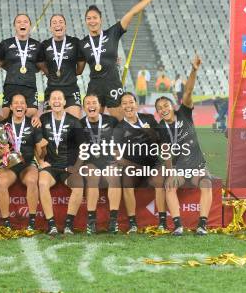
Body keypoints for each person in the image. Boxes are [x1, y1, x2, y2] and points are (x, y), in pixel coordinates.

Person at [79, 0, 160, 120]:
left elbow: (132, 12)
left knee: (121, 123)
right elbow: (78, 69)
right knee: (92, 125)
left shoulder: (112, 33)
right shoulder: (82, 43)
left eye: (95, 18)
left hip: (113, 84)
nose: (92, 21)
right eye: (89, 18)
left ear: (100, 20)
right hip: (94, 86)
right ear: (85, 21)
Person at [155, 55, 212, 236]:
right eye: (159, 108)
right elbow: (165, 153)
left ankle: (202, 225)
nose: (163, 109)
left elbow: (187, 92)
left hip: (197, 166)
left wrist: (193, 71)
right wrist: (171, 171)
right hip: (179, 169)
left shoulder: (184, 114)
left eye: (166, 105)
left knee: (206, 183)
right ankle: (178, 225)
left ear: (172, 106)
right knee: (169, 186)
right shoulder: (161, 128)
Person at [116, 92, 166, 233]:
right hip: (133, 166)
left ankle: (162, 221)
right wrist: (129, 166)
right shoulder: (119, 128)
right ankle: (132, 223)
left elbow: (160, 140)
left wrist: (149, 131)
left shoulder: (148, 119)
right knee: (126, 184)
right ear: (121, 107)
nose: (128, 105)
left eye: (131, 102)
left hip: (153, 163)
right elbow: (117, 155)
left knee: (159, 182)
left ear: (136, 104)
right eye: (124, 103)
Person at [35, 90, 83, 235]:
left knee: (79, 185)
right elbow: (35, 143)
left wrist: (76, 167)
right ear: (49, 102)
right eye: (53, 98)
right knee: (42, 183)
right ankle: (52, 225)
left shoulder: (74, 121)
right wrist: (40, 161)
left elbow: (83, 148)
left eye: (59, 98)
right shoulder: (42, 119)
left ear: (64, 102)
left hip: (68, 166)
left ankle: (68, 224)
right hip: (50, 166)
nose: (56, 101)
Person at [0, 93, 42, 230]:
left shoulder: (33, 123)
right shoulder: (1, 125)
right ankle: (6, 223)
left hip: (27, 164)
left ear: (26, 107)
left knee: (32, 180)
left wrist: (42, 161)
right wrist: (2, 151)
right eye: (15, 103)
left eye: (22, 103)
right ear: (10, 106)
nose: (19, 105)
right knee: (2, 181)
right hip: (9, 165)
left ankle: (32, 221)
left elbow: (38, 150)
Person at [80, 94, 121, 234]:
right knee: (92, 178)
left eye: (94, 102)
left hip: (109, 159)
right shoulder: (79, 124)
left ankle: (113, 221)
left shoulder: (112, 121)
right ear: (84, 108)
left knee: (114, 178)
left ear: (100, 106)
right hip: (90, 161)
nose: (91, 105)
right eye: (88, 103)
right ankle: (91, 221)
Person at [0, 14, 44, 119]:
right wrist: (12, 68)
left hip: (30, 86)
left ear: (30, 25)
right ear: (14, 26)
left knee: (30, 114)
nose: (22, 24)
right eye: (19, 22)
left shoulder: (37, 45)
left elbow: (40, 65)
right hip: (11, 85)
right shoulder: (5, 44)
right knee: (7, 117)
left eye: (25, 21)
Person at [40, 14, 85, 118]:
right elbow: (39, 63)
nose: (58, 25)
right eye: (54, 23)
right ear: (50, 27)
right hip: (52, 90)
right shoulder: (44, 45)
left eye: (61, 22)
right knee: (50, 126)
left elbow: (81, 66)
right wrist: (49, 73)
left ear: (65, 25)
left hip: (71, 89)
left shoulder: (75, 42)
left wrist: (114, 57)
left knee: (75, 125)